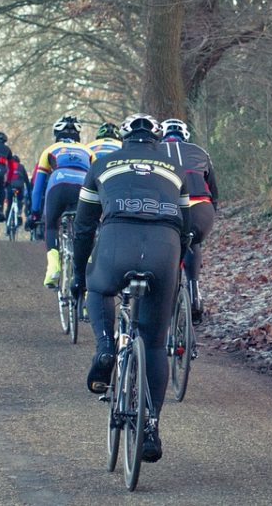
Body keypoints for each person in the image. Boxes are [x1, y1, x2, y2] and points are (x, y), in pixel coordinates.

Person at [71, 113, 190, 464]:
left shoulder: (102, 164)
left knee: (99, 288)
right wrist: (175, 272)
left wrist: (79, 275)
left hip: (115, 242)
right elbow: (185, 228)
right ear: (156, 140)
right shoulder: (174, 167)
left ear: (125, 139)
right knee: (154, 343)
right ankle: (150, 426)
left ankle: (105, 349)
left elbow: (82, 227)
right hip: (163, 247)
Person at [160, 118, 218, 324]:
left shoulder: (155, 151)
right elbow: (213, 191)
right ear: (186, 136)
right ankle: (194, 292)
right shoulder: (200, 152)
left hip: (170, 207)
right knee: (194, 241)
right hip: (202, 208)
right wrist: (211, 215)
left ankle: (164, 295)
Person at [28, 115, 90, 289]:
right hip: (82, 186)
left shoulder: (50, 150)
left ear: (56, 133)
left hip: (58, 184)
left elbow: (38, 186)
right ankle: (86, 282)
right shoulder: (88, 151)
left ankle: (53, 266)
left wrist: (34, 213)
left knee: (52, 225)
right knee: (87, 229)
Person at [6, 154, 30, 225]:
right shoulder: (21, 167)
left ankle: (7, 226)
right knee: (20, 199)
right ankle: (19, 212)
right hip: (19, 187)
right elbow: (26, 180)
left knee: (9, 206)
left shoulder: (8, 166)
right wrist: (29, 190)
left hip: (10, 187)